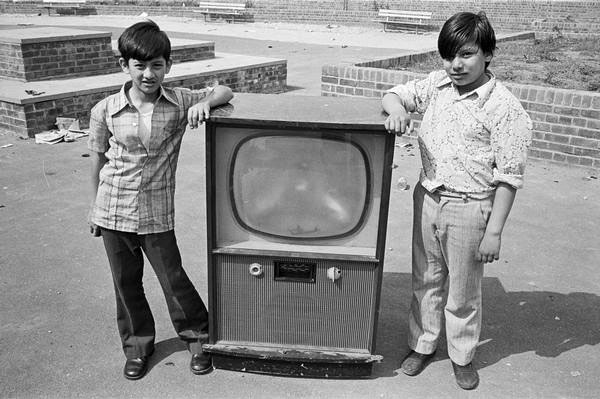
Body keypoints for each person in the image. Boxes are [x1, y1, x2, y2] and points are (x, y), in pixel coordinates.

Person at [382, 11, 532, 390]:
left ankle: (462, 355)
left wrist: (494, 232)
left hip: (471, 206)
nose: (455, 65)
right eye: (448, 56)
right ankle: (422, 344)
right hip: (428, 199)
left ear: (488, 54)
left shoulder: (505, 108)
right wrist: (398, 109)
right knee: (426, 280)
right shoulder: (436, 85)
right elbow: (395, 93)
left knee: (463, 291)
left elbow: (509, 177)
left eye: (466, 55)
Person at [87, 19, 233, 380]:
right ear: (124, 65)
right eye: (140, 65)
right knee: (126, 283)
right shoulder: (104, 109)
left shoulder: (179, 100)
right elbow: (97, 161)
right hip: (112, 210)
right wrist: (93, 209)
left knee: (173, 278)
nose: (149, 74)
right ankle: (137, 346)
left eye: (157, 65)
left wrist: (206, 102)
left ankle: (199, 338)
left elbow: (225, 90)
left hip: (156, 214)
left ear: (168, 65)